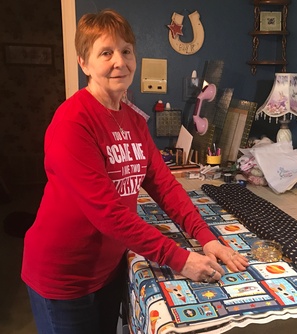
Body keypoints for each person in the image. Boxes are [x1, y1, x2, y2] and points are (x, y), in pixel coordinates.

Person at [21, 8, 248, 334]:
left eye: (126, 51)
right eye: (106, 53)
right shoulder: (73, 122)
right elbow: (107, 213)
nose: (120, 61)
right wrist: (181, 259)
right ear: (84, 63)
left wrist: (205, 238)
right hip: (64, 276)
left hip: (108, 269)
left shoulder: (132, 119)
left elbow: (164, 185)